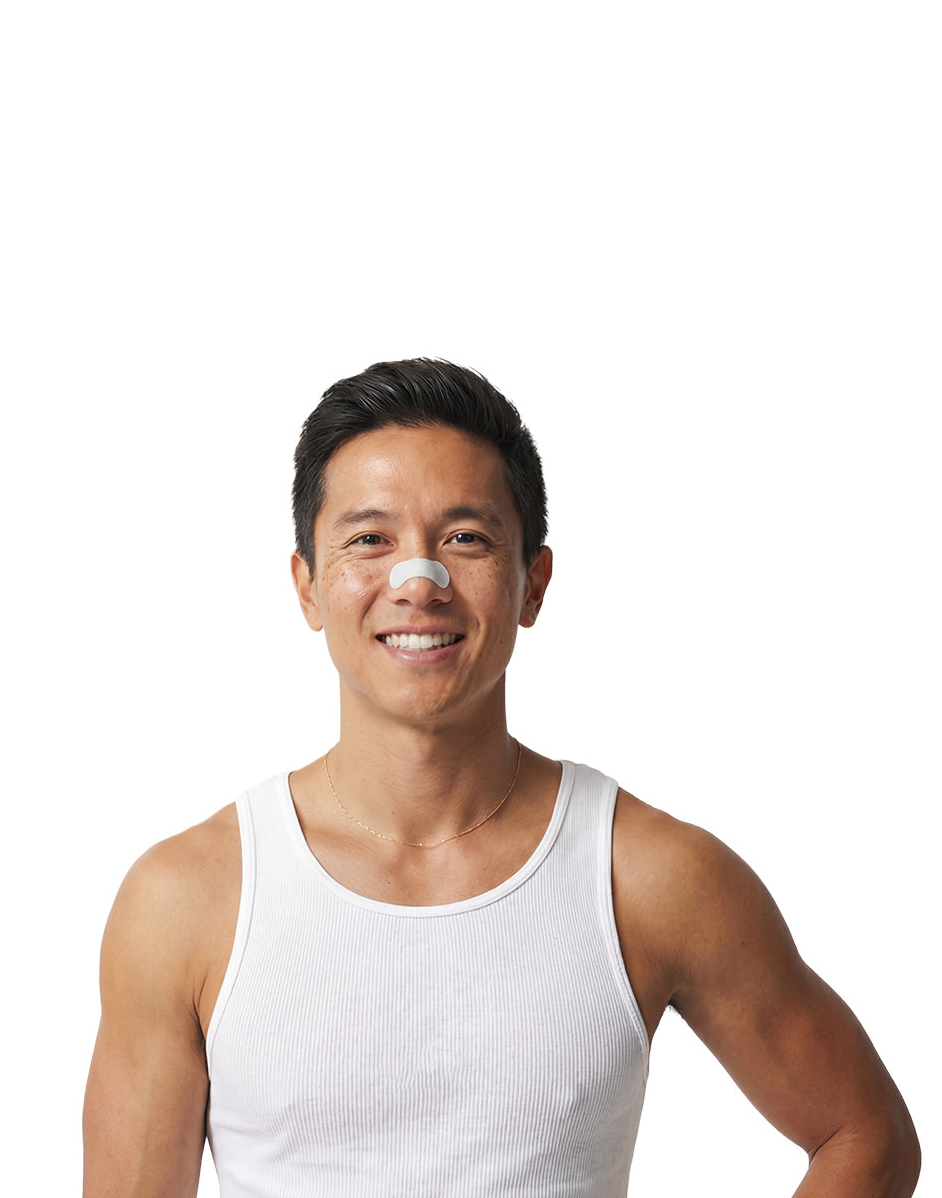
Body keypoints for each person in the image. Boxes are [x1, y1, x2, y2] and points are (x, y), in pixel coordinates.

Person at [82, 358, 920, 1198]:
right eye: (370, 540)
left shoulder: (651, 877)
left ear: (533, 584)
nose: (418, 582)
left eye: (466, 539)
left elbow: (865, 1136)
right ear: (306, 586)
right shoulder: (186, 901)